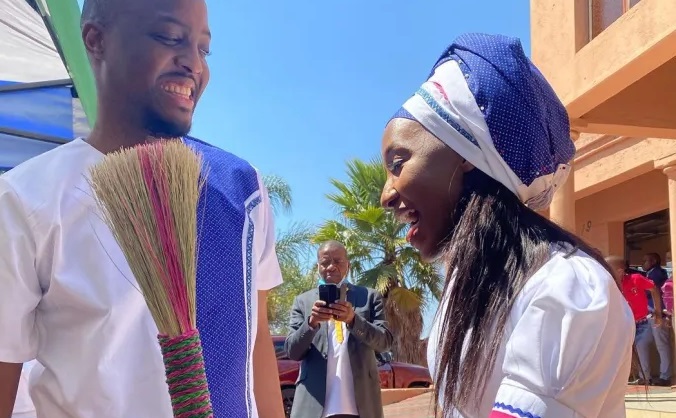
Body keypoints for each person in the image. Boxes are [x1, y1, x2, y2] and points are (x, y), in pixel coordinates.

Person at [0, 0, 284, 417]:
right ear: (96, 41)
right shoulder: (26, 200)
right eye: (170, 38)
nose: (193, 63)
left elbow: (256, 345)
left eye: (203, 48)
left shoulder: (241, 189)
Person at [379, 33, 633, 417]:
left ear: (466, 152)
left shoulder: (563, 287)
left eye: (398, 163)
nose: (386, 196)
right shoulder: (471, 285)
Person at [285, 240, 393, 418]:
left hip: (362, 406)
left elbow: (384, 343)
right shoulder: (303, 302)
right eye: (325, 262)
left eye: (337, 261)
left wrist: (353, 320)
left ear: (348, 265)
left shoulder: (369, 297)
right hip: (314, 407)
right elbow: (292, 352)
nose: (331, 267)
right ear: (318, 267)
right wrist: (311, 323)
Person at [606, 256, 667, 386]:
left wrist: (658, 313)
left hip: (644, 321)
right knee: (634, 351)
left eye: (609, 269)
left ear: (620, 271)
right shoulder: (611, 284)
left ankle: (654, 377)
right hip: (628, 324)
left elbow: (654, 289)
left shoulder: (636, 279)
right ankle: (643, 377)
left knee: (648, 347)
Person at [642, 252, 672, 384]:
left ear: (653, 261)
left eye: (645, 261)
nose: (643, 264)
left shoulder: (657, 273)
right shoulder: (650, 273)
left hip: (658, 314)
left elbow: (649, 290)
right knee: (642, 343)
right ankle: (645, 376)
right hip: (649, 315)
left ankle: (665, 376)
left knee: (662, 345)